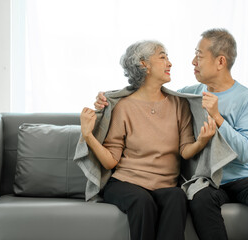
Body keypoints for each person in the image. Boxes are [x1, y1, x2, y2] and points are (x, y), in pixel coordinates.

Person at [94, 29, 248, 240]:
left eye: (199, 56)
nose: (193, 61)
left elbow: (246, 153)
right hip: (210, 180)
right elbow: (149, 92)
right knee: (199, 199)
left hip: (245, 177)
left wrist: (218, 117)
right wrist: (108, 100)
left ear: (220, 62)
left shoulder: (247, 99)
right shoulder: (190, 94)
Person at [80, 40, 216, 240]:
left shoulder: (179, 105)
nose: (169, 63)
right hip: (125, 183)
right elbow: (110, 161)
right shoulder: (124, 107)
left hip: (164, 185)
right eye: (163, 57)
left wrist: (202, 140)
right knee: (142, 202)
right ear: (143, 64)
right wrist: (88, 136)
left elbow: (185, 150)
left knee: (178, 196)